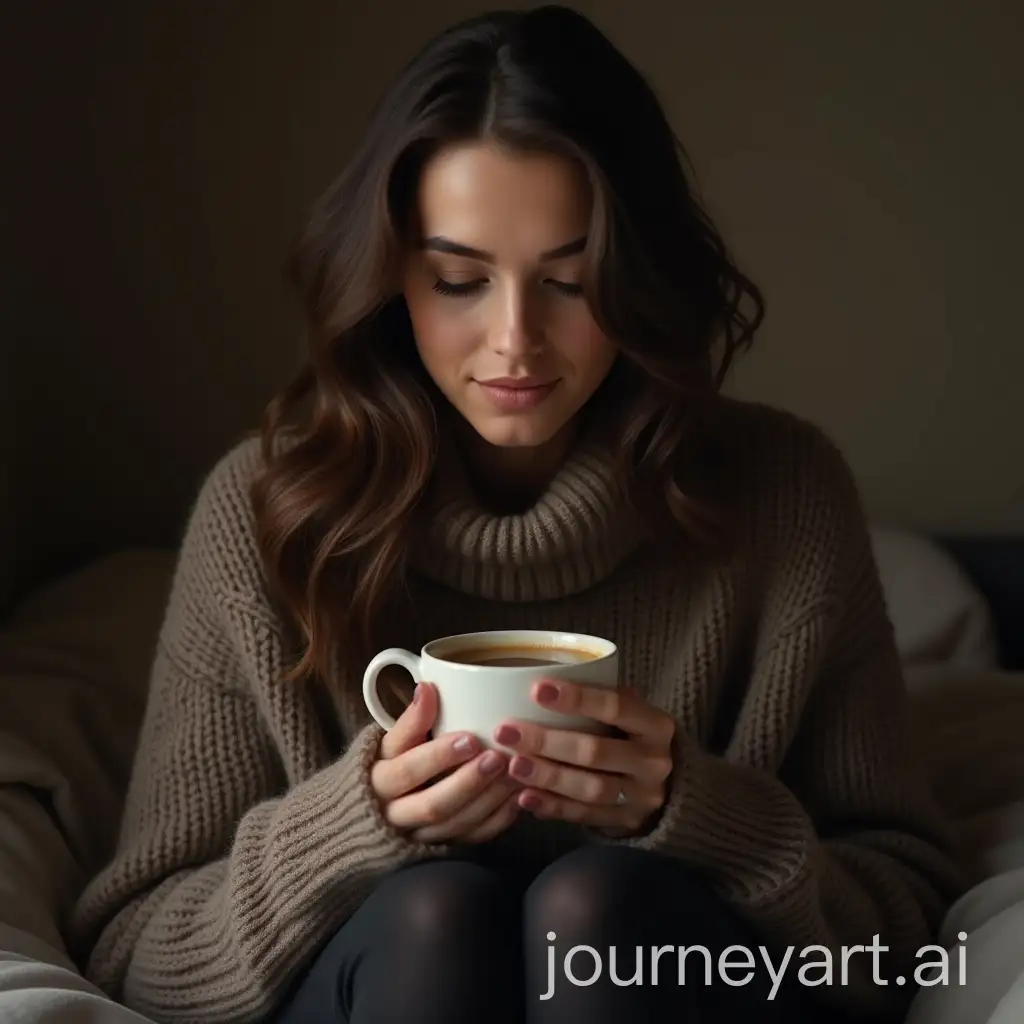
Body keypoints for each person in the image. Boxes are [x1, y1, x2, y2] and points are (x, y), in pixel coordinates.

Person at [68, 5, 967, 1023]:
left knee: (598, 911)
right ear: (389, 280)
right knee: (435, 916)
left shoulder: (783, 496)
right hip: (386, 977)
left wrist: (698, 815)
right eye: (457, 280)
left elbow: (910, 927)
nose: (514, 342)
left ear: (638, 276)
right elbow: (138, 948)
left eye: (569, 281)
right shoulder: (264, 515)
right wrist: (354, 824)